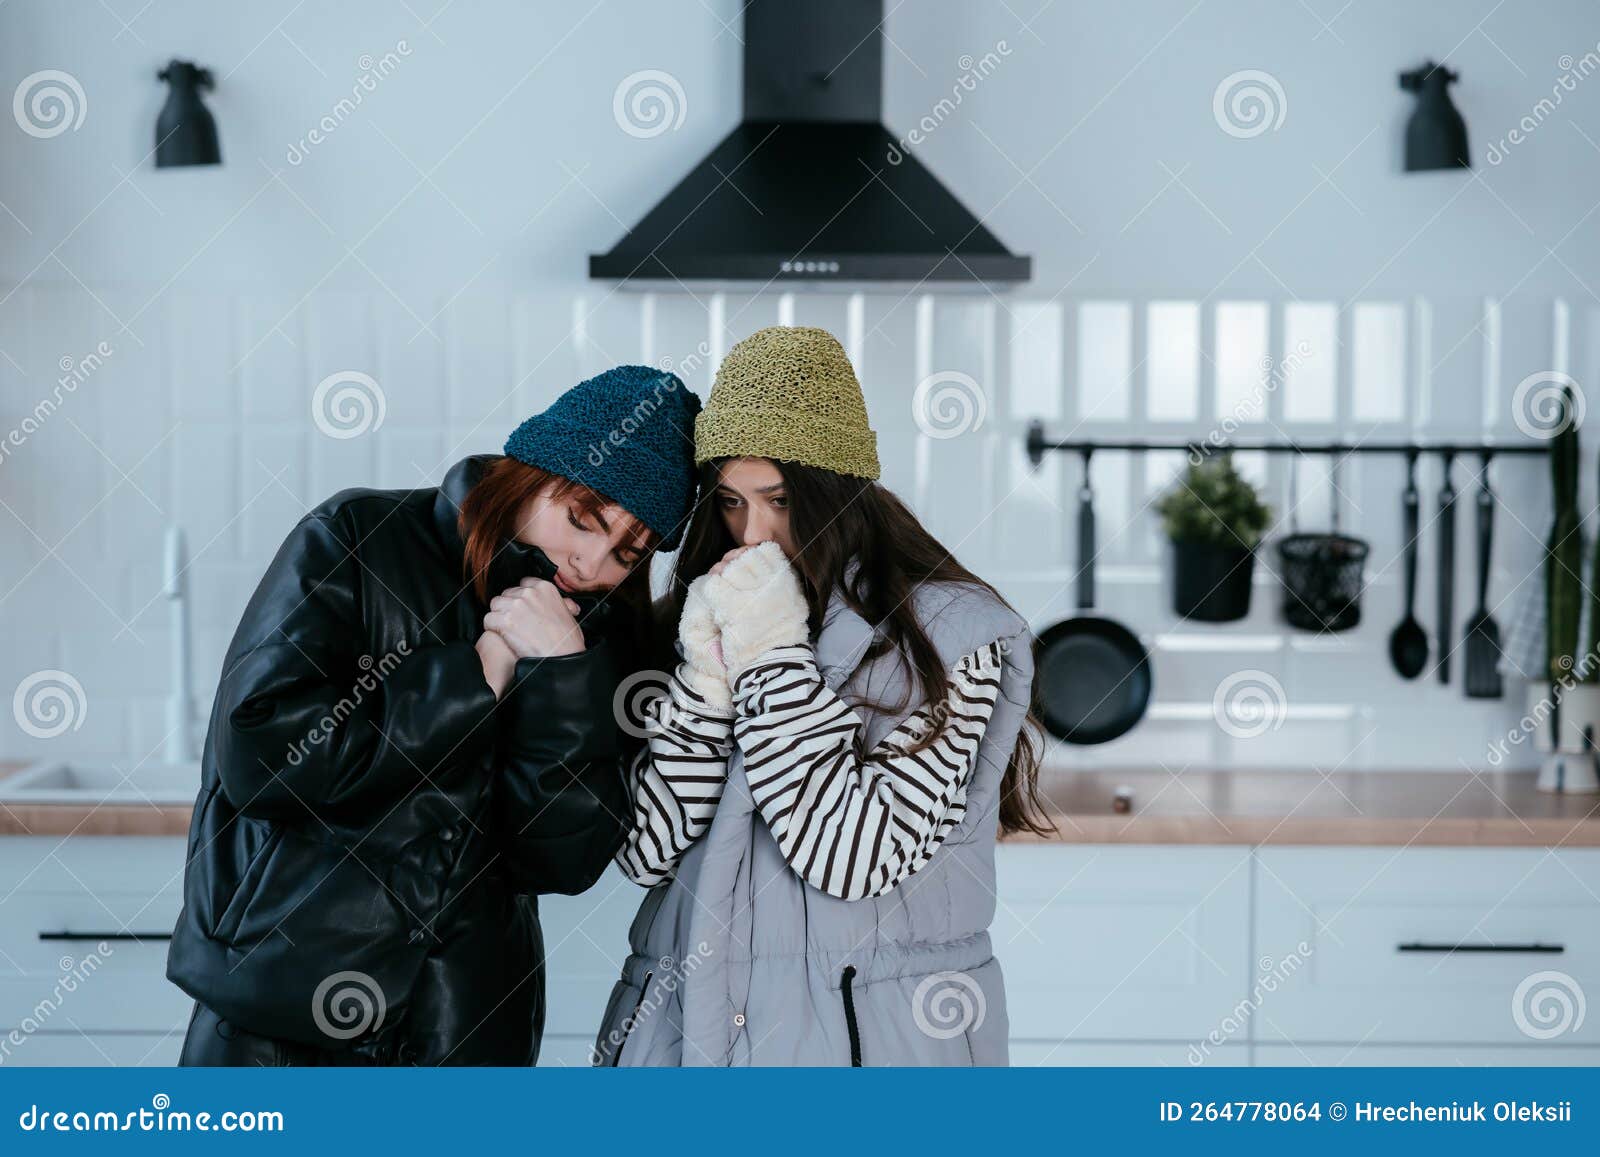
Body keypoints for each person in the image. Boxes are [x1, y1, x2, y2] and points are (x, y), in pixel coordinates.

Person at [167, 365, 700, 1065]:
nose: (591, 561)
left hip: (464, 1029)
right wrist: (472, 680)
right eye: (581, 518)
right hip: (279, 1015)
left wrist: (562, 677)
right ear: (531, 469)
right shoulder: (359, 537)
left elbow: (561, 860)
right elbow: (260, 754)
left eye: (627, 552)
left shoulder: (598, 639)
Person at [595, 326, 1052, 1067]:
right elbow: (645, 852)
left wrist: (772, 651)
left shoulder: (955, 638)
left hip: (869, 1047)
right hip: (682, 1036)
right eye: (732, 502)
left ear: (837, 489)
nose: (755, 532)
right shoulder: (713, 612)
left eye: (778, 499)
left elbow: (847, 857)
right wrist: (710, 679)